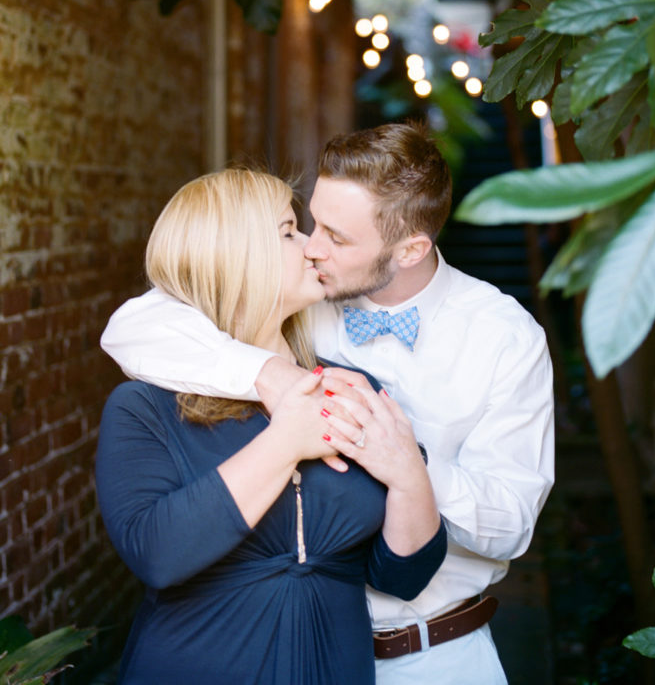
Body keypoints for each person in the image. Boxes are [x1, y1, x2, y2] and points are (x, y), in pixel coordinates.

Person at [101, 123, 555, 685]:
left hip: (437, 652)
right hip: (294, 653)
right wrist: (269, 374)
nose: (314, 246)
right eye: (306, 224)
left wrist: (408, 465)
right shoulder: (305, 299)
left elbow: (508, 523)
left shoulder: (504, 337)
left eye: (337, 237)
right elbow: (137, 326)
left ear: (410, 249)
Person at [95, 167, 447, 685]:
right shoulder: (142, 408)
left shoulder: (353, 389)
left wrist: (409, 476)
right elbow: (158, 556)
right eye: (288, 231)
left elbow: (404, 575)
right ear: (233, 256)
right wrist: (285, 441)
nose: (311, 247)